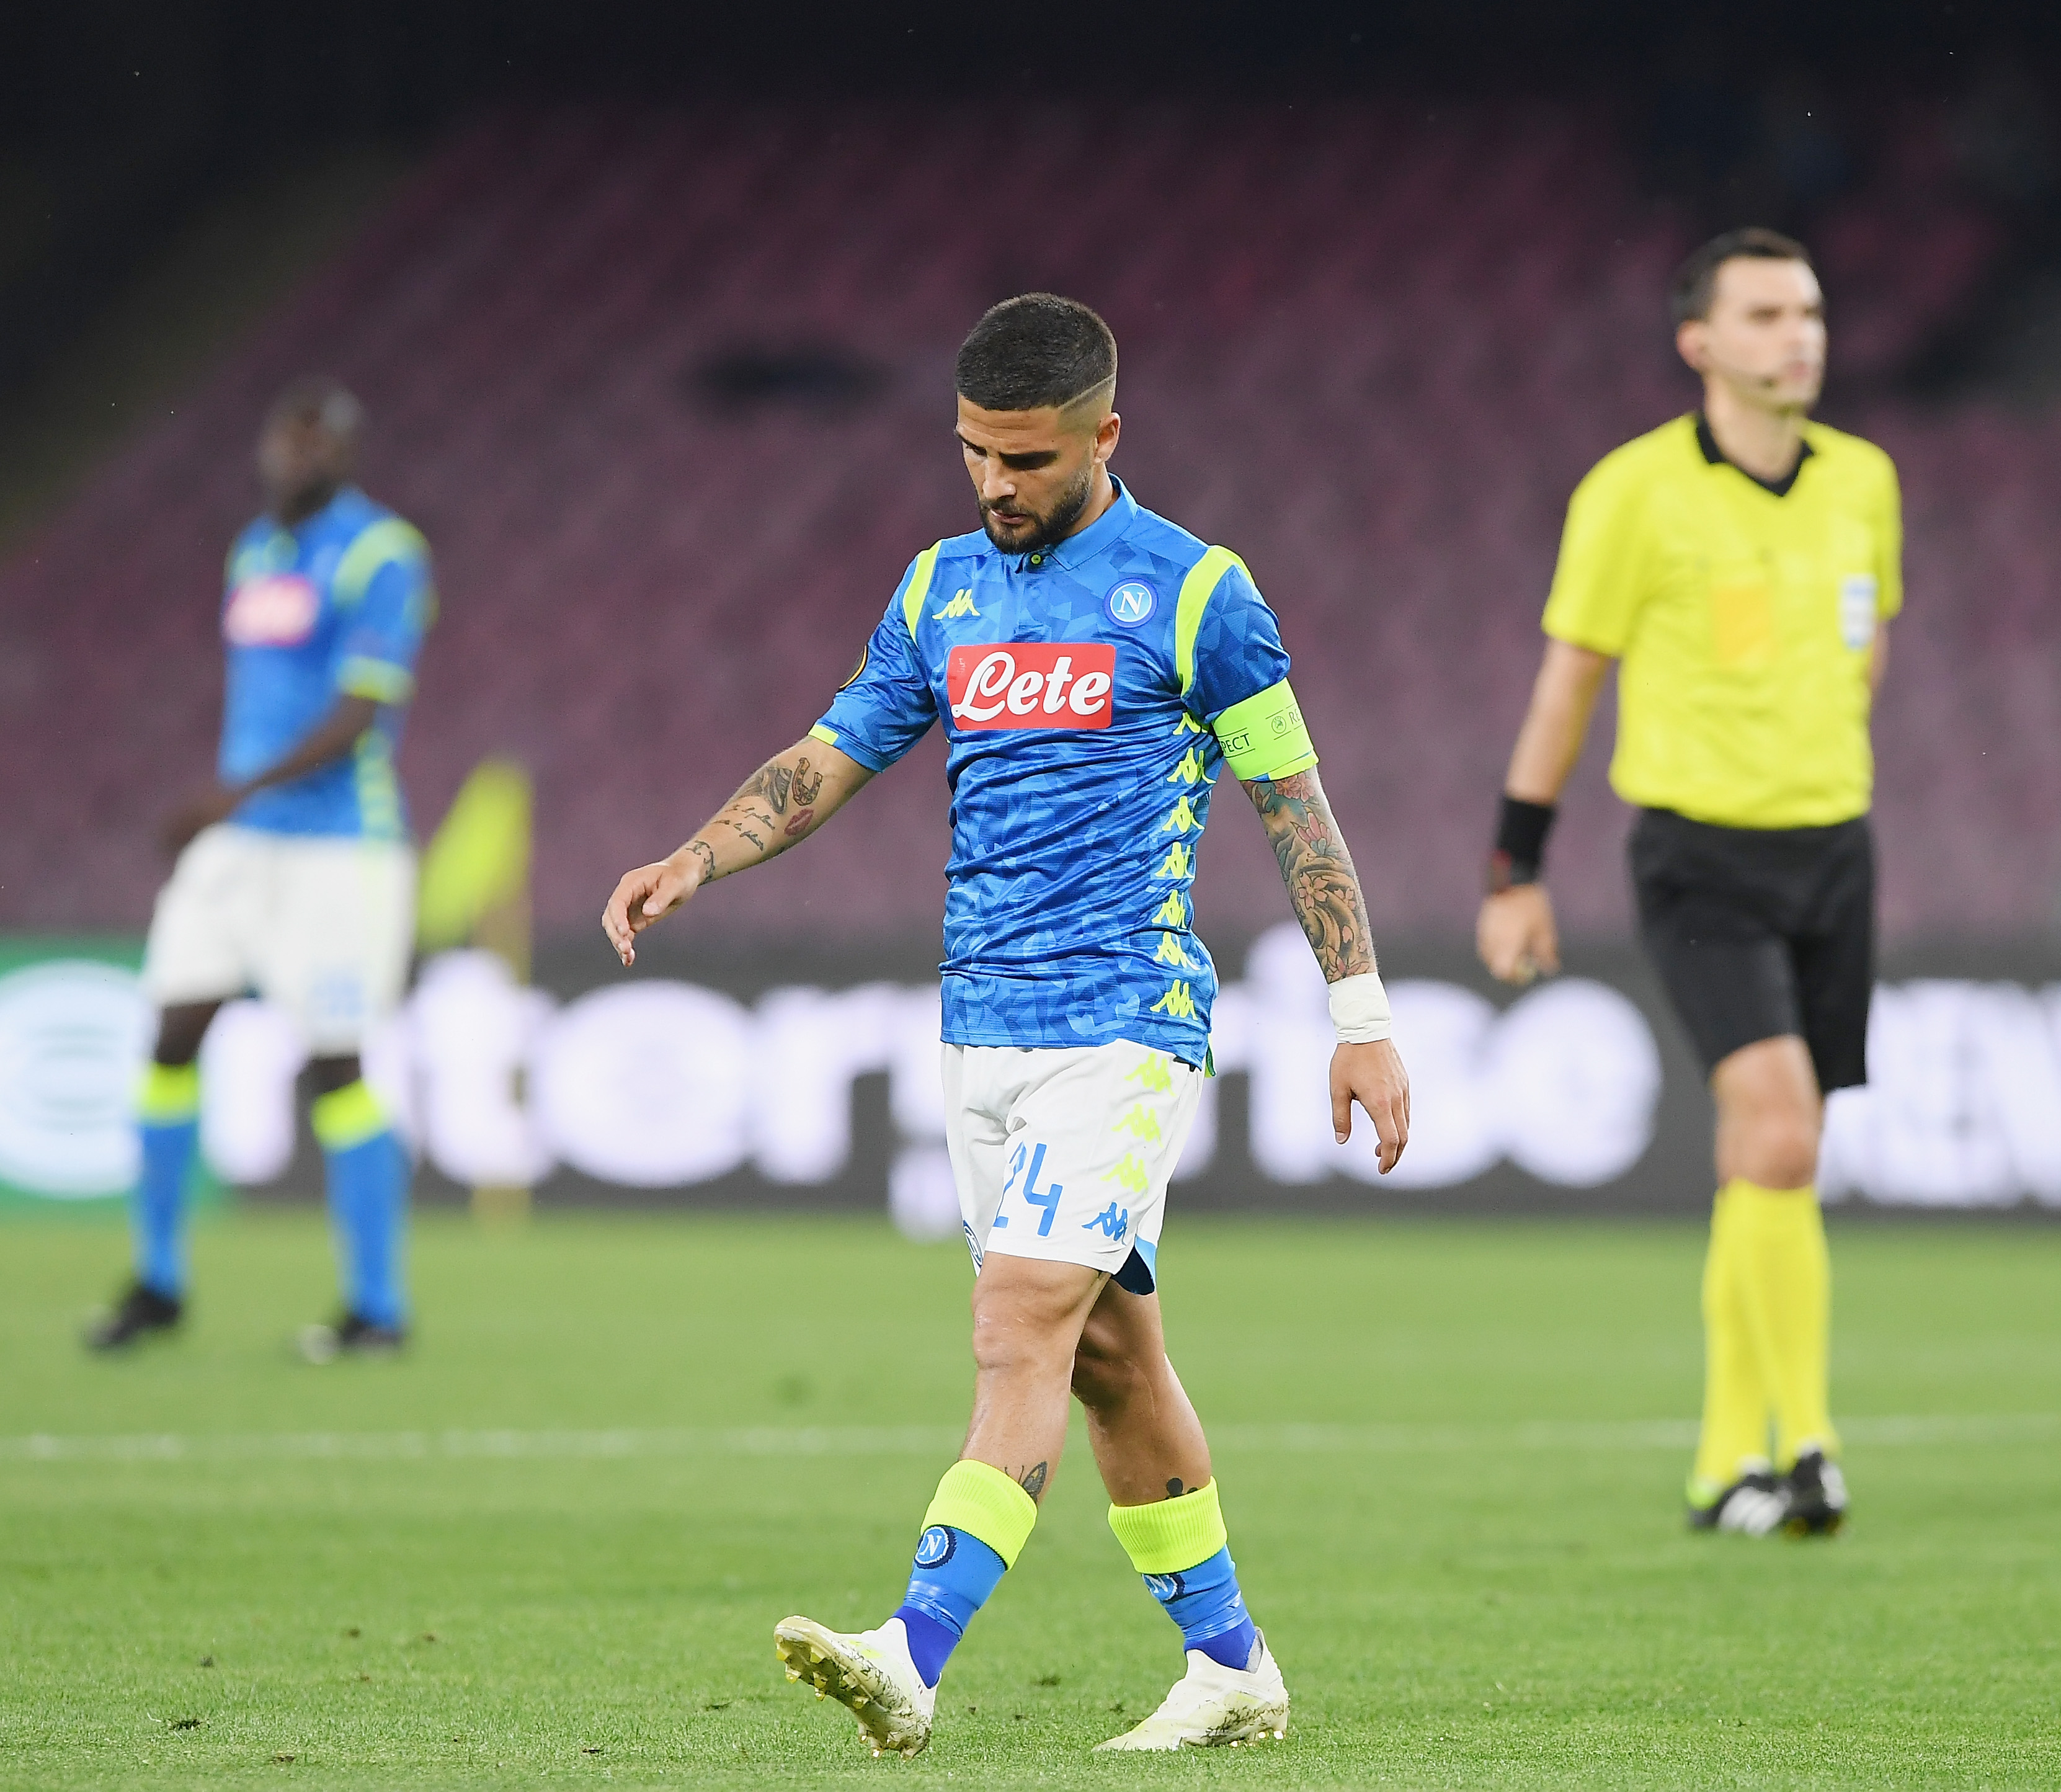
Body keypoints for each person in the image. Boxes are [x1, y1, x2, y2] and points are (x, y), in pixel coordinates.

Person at [600, 293, 1409, 1758]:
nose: (993, 486)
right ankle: (1229, 1663)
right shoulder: (941, 591)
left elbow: (1295, 806)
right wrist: (696, 853)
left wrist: (1359, 1017)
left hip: (1123, 1020)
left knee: (1016, 1319)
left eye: (1025, 461)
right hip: (978, 1025)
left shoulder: (1194, 589)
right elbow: (831, 753)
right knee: (1106, 1357)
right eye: (972, 453)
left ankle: (909, 1651)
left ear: (1106, 437)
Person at [1477, 228, 1898, 1538]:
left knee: (1775, 1152)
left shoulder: (1864, 482)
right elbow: (1568, 683)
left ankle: (1725, 1466)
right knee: (1776, 1128)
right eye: (1766, 313)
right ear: (1698, 344)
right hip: (1698, 852)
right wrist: (1515, 866)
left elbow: (1868, 644)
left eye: (1810, 311)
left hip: (1832, 846)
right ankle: (1813, 1441)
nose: (1799, 336)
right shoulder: (1632, 492)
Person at [87, 377, 432, 1362]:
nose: (300, 454)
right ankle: (159, 1281)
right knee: (170, 1032)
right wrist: (233, 805)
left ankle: (378, 1307)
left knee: (335, 1066)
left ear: (349, 456)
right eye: (290, 438)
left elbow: (363, 711)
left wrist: (228, 795)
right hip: (239, 840)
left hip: (338, 845)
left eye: (321, 441)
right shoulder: (254, 550)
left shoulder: (382, 553)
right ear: (267, 448)